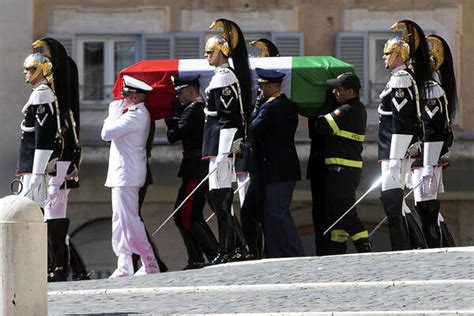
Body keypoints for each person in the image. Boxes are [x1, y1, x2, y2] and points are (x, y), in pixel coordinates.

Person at [32, 37, 84, 281]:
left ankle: (62, 268)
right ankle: (68, 267)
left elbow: (64, 143)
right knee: (50, 219)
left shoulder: (62, 111)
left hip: (59, 167)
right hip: (53, 168)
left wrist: (57, 171)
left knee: (54, 218)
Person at [202, 18, 253, 264]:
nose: (206, 55)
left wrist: (223, 152)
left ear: (222, 51)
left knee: (221, 200)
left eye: (210, 51)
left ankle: (228, 249)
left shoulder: (223, 77)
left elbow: (228, 117)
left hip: (221, 145)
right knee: (219, 199)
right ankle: (239, 246)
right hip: (216, 145)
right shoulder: (221, 76)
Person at [101, 75, 159, 278]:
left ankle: (149, 262)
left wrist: (111, 114)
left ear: (134, 97)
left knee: (130, 221)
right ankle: (124, 265)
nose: (122, 98)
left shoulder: (136, 115)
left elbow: (106, 133)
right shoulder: (133, 113)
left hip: (128, 175)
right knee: (120, 221)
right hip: (121, 174)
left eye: (125, 95)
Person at [312, 73, 371, 254]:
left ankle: (365, 248)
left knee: (346, 214)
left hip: (343, 171)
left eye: (339, 89)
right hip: (342, 171)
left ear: (350, 91)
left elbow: (320, 126)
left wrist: (326, 107)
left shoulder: (347, 110)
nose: (335, 92)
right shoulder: (355, 109)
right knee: (336, 215)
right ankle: (338, 252)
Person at [165, 74, 219, 269]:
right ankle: (197, 257)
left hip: (196, 167)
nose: (177, 96)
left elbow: (173, 135)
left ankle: (213, 254)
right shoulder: (196, 108)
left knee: (187, 215)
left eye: (180, 92)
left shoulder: (194, 109)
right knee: (183, 215)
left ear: (190, 91)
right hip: (194, 167)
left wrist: (170, 117)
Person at [250, 67, 304, 258]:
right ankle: (277, 254)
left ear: (272, 86)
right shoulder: (285, 104)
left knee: (277, 213)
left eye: (262, 86)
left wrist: (256, 107)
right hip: (277, 167)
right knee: (270, 213)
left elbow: (253, 129)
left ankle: (295, 253)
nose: (259, 90)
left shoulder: (272, 107)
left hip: (279, 168)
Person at [411, 34, 457, 247]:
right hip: (420, 156)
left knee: (427, 207)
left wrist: (428, 164)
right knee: (424, 207)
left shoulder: (430, 89)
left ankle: (435, 250)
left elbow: (432, 129)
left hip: (427, 156)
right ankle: (444, 247)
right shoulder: (424, 88)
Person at [239, 38, 281, 259]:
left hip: (263, 163)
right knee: (252, 212)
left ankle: (256, 252)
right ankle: (256, 251)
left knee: (252, 212)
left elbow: (253, 127)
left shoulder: (269, 103)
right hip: (254, 161)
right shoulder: (261, 98)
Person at [17, 53, 59, 206]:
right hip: (30, 166)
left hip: (34, 166)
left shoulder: (42, 95)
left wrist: (37, 173)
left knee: (30, 211)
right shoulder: (38, 93)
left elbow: (43, 138)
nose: (24, 72)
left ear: (39, 70)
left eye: (28, 68)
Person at [307, 90, 339, 256]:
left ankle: (329, 249)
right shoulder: (322, 108)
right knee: (320, 212)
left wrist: (325, 106)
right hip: (320, 165)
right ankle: (324, 248)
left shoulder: (344, 108)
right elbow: (314, 130)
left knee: (329, 211)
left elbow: (320, 128)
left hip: (330, 166)